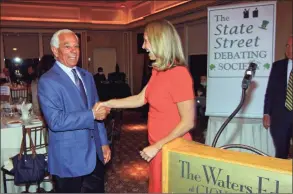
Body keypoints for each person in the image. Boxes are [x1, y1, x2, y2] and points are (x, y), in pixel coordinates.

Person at [96, 20, 195, 192]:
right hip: (158, 147)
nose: (143, 46)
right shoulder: (158, 71)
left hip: (172, 148)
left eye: (146, 40)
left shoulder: (179, 73)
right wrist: (107, 103)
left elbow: (188, 122)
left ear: (159, 42)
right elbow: (140, 99)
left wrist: (157, 147)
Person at [37, 29, 111, 193]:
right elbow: (56, 121)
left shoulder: (86, 76)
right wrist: (91, 114)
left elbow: (97, 111)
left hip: (94, 156)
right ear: (55, 51)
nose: (74, 51)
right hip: (68, 160)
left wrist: (104, 143)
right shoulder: (48, 81)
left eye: (76, 46)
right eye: (67, 46)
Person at [263, 35, 293, 159]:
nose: (289, 49)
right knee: (281, 154)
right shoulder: (277, 66)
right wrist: (266, 113)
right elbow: (270, 92)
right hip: (280, 117)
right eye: (288, 46)